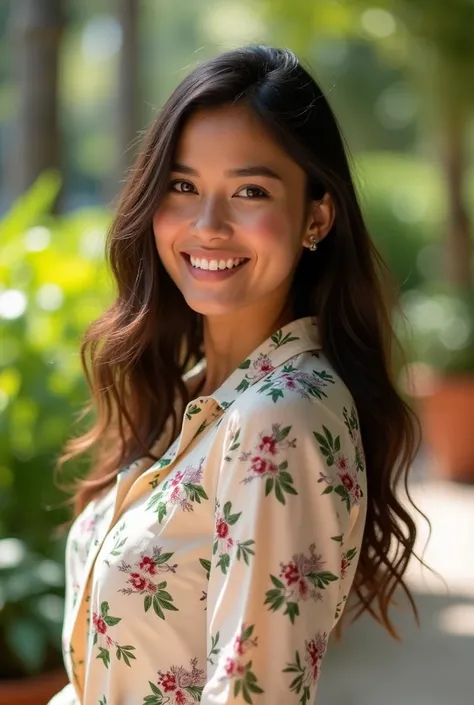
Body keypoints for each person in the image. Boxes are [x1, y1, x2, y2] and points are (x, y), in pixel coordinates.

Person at [49, 44, 421, 705]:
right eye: (183, 186)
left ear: (317, 217)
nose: (208, 225)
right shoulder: (197, 395)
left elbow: (254, 695)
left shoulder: (282, 416)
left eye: (250, 191)